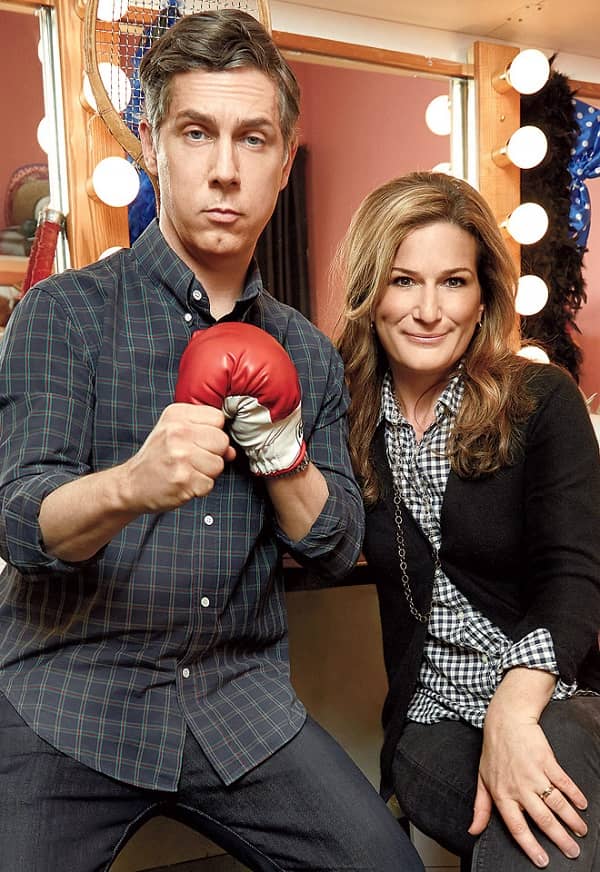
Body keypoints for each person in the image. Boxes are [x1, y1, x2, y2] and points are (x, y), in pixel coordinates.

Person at [0, 12, 424, 872]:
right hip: (71, 697)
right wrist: (132, 482)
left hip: (240, 708)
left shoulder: (306, 347)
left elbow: (337, 543)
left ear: (283, 159)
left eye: (252, 138)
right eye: (197, 133)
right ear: (154, 143)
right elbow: (19, 521)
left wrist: (280, 453)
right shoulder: (65, 311)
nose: (225, 169)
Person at [335, 171, 600, 871]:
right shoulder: (342, 417)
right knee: (547, 833)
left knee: (552, 831)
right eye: (402, 281)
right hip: (433, 716)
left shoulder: (541, 400)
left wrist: (513, 713)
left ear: (483, 294)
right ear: (370, 291)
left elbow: (573, 579)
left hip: (556, 692)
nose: (428, 310)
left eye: (452, 281)